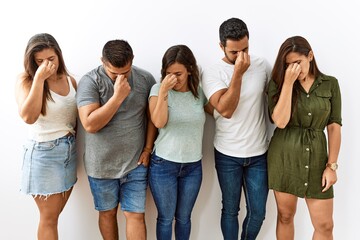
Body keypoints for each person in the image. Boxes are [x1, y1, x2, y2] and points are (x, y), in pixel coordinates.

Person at [76, 39, 156, 240]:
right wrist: (118, 96)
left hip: (135, 162)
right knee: (108, 212)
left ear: (132, 61)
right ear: (103, 62)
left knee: (135, 214)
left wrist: (147, 149)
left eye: (126, 72)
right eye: (114, 74)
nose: (121, 77)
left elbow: (152, 117)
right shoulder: (90, 81)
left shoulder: (145, 79)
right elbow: (90, 124)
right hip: (101, 165)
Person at [201, 17, 270, 240]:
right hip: (227, 153)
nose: (242, 56)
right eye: (234, 52)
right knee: (230, 210)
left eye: (246, 49)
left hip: (259, 152)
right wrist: (238, 73)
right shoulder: (212, 72)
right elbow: (227, 110)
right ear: (221, 46)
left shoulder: (262, 65)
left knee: (258, 213)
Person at [267, 36, 342, 240]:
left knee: (325, 225)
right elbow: (280, 121)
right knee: (285, 216)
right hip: (284, 157)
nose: (294, 69)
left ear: (310, 56)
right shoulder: (278, 83)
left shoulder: (330, 84)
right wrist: (288, 84)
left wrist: (331, 165)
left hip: (317, 159)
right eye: (288, 65)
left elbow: (334, 126)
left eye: (297, 63)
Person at [15, 33, 78, 240]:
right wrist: (39, 80)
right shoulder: (26, 81)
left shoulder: (70, 81)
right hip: (44, 154)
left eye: (51, 59)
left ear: (59, 55)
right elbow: (28, 116)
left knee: (54, 216)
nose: (46, 64)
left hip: (68, 151)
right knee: (48, 218)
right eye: (39, 61)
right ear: (32, 62)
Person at [148, 45, 213, 240]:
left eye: (178, 73)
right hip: (164, 165)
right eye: (169, 74)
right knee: (166, 219)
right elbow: (158, 122)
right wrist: (164, 93)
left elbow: (220, 112)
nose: (174, 78)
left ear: (190, 70)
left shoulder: (198, 93)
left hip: (193, 166)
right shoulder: (158, 90)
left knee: (184, 218)